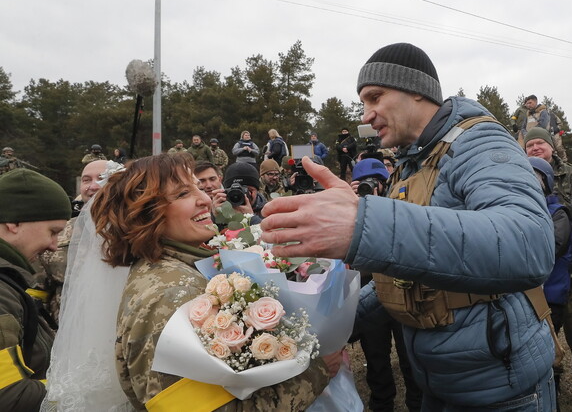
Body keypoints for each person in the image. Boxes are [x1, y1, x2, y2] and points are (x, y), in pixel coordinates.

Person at [261, 42, 557, 409]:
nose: (366, 115)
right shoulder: (412, 163)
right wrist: (317, 329)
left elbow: (529, 244)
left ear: (416, 89)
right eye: (362, 103)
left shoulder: (479, 142)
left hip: (502, 391)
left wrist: (361, 222)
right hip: (440, 384)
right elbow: (409, 275)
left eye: (374, 97)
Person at [45, 153, 336, 411]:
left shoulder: (182, 269)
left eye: (199, 187)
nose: (205, 198)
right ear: (148, 213)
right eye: (184, 193)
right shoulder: (167, 295)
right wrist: (318, 369)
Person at [525, 127, 572, 410]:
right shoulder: (522, 177)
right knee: (544, 336)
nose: (535, 148)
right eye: (530, 144)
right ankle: (550, 380)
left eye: (540, 143)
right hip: (541, 280)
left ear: (551, 146)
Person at [351, 158, 422, 411]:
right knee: (376, 358)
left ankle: (417, 402)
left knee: (411, 358)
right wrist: (352, 206)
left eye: (377, 182)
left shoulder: (401, 203)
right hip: (368, 291)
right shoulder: (350, 210)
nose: (371, 188)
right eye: (363, 184)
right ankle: (382, 404)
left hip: (402, 291)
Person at [0, 169, 71, 410]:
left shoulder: (9, 280)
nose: (54, 245)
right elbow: (9, 395)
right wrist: (80, 390)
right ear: (14, 223)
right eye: (53, 231)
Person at [33, 160, 109, 325]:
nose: (93, 186)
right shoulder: (59, 233)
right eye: (86, 180)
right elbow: (38, 294)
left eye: (102, 178)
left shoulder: (139, 233)